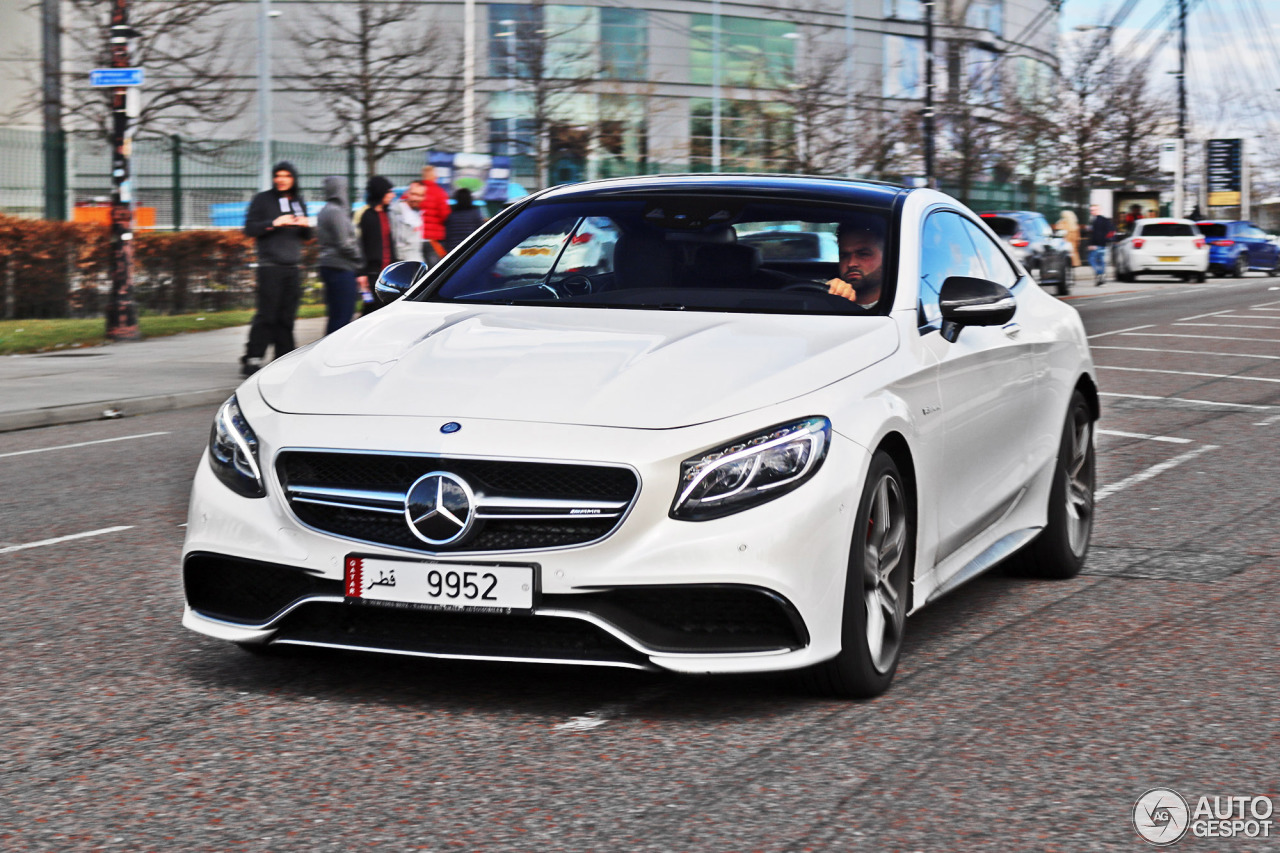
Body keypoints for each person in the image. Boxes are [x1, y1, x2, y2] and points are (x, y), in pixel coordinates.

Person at [241, 161, 312, 376]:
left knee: (287, 316)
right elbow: (249, 229)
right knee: (267, 315)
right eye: (278, 175)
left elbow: (307, 238)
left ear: (293, 179)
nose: (281, 179)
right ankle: (252, 358)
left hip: (292, 267)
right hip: (270, 266)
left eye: (286, 176)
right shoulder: (263, 200)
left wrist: (306, 225)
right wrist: (274, 222)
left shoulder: (298, 200)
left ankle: (284, 357)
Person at [316, 176, 363, 334]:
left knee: (336, 314)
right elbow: (344, 243)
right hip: (340, 266)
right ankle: (331, 351)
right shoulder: (336, 212)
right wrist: (359, 257)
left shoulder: (326, 210)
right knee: (343, 315)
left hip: (330, 264)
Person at [357, 175, 396, 311]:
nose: (392, 195)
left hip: (387, 273)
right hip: (372, 273)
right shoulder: (368, 216)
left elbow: (390, 243)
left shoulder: (387, 215)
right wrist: (362, 273)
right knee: (372, 309)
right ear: (380, 193)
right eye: (389, 192)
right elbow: (361, 245)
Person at [826, 218, 885, 307]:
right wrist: (824, 296)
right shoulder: (825, 293)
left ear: (886, 257)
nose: (851, 263)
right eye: (844, 255)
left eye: (863, 254)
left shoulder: (903, 302)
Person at [419, 165, 451, 266]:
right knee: (434, 269)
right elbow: (445, 216)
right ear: (434, 177)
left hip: (416, 237)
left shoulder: (414, 191)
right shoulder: (439, 192)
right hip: (434, 240)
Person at [390, 180, 426, 263]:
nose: (416, 198)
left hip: (416, 262)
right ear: (407, 193)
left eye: (420, 195)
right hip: (403, 264)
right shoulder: (395, 212)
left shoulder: (418, 212)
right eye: (413, 194)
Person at [443, 187, 485, 253]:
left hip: (453, 249)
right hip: (470, 248)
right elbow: (481, 231)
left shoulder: (452, 215)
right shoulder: (475, 214)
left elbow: (448, 235)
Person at [1087, 204, 1114, 287]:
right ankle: (1102, 277)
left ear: (1099, 210)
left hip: (1097, 245)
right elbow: (1111, 232)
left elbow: (1096, 234)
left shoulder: (1096, 221)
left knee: (1091, 259)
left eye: (1094, 210)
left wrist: (1093, 244)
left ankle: (1099, 274)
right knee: (1101, 261)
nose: (1092, 212)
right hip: (1103, 245)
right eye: (1091, 210)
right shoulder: (1105, 220)